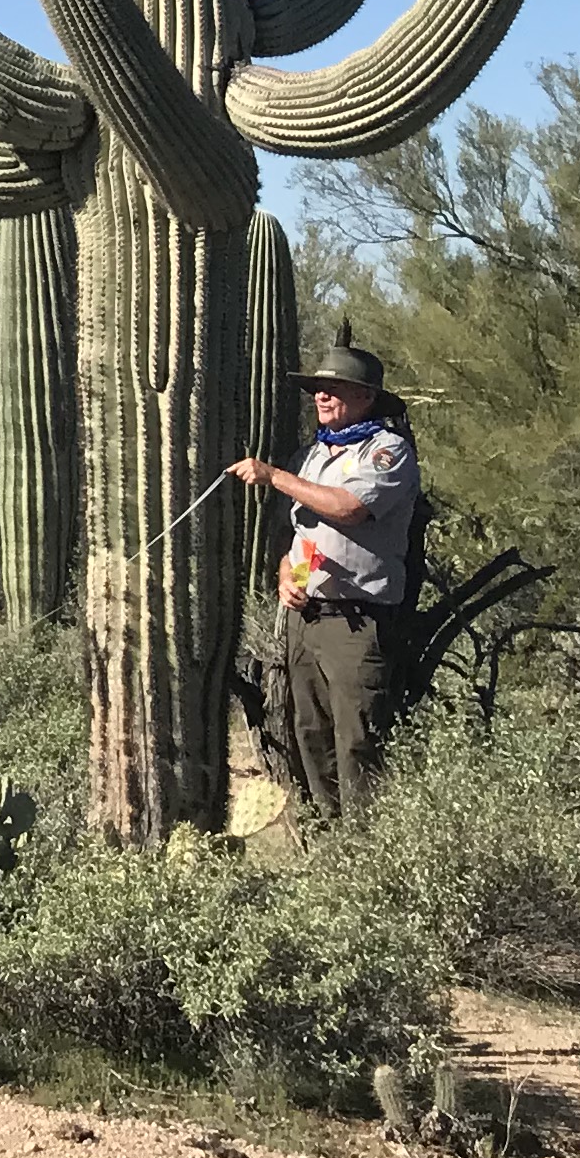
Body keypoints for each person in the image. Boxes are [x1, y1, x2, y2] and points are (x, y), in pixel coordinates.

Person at [231, 343, 423, 826]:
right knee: (309, 731)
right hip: (306, 616)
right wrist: (287, 577)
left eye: (334, 387)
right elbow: (302, 535)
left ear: (365, 397)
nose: (321, 395)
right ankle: (329, 842)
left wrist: (275, 475)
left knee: (358, 738)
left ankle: (368, 847)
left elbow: (348, 509)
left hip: (355, 623)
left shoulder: (386, 452)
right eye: (317, 388)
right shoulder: (312, 453)